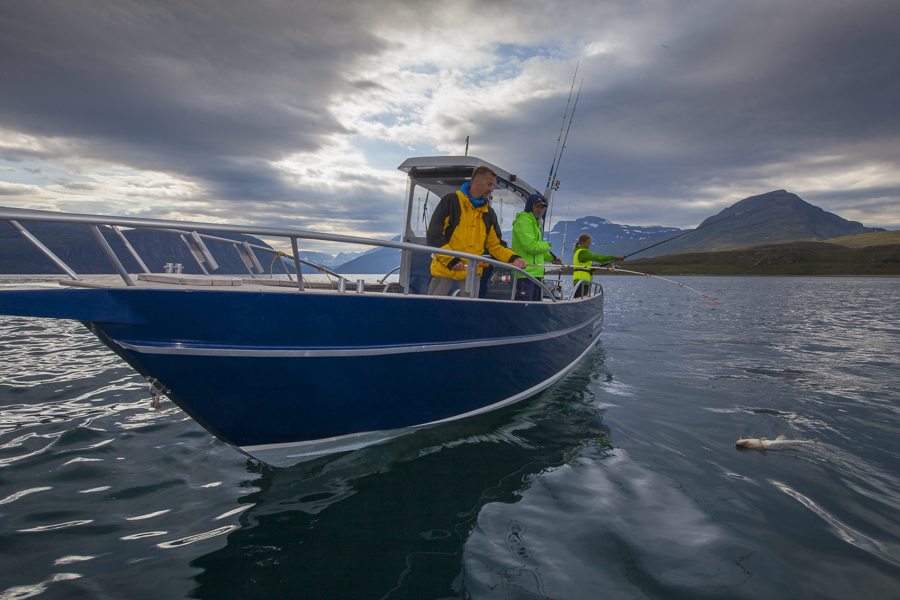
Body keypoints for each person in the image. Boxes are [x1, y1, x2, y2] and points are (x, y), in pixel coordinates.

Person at [426, 166, 526, 296]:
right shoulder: (451, 201)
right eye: (489, 184)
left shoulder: (489, 214)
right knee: (431, 312)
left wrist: (515, 258)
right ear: (477, 182)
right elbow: (433, 235)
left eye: (492, 185)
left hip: (471, 274)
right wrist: (452, 260)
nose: (491, 189)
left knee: (469, 314)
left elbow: (495, 246)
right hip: (444, 271)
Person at [511, 194, 563, 301]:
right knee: (525, 309)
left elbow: (538, 251)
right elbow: (530, 246)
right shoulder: (523, 221)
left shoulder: (536, 223)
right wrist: (547, 245)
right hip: (525, 274)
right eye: (537, 206)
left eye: (541, 208)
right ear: (530, 206)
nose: (539, 210)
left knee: (534, 308)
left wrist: (550, 259)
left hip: (536, 274)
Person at [572, 233, 624, 298]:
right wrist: (614, 257)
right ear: (582, 243)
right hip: (581, 281)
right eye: (588, 243)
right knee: (579, 300)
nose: (590, 245)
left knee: (579, 299)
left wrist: (594, 269)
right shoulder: (583, 253)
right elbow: (597, 257)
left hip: (582, 280)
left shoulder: (580, 252)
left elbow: (585, 269)